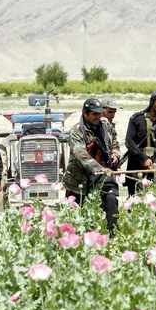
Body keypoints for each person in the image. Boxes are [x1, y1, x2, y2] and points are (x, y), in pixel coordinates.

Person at [63, 98, 120, 233]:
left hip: (104, 176)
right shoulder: (76, 131)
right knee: (77, 217)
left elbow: (115, 142)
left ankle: (113, 234)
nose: (98, 117)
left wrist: (115, 154)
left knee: (111, 199)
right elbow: (81, 155)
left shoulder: (106, 125)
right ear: (85, 113)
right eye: (94, 114)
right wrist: (100, 169)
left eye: (100, 113)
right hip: (80, 180)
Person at [124, 90, 156, 196]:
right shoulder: (137, 119)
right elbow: (129, 141)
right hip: (136, 166)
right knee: (135, 200)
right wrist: (144, 158)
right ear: (152, 102)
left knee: (154, 199)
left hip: (155, 168)